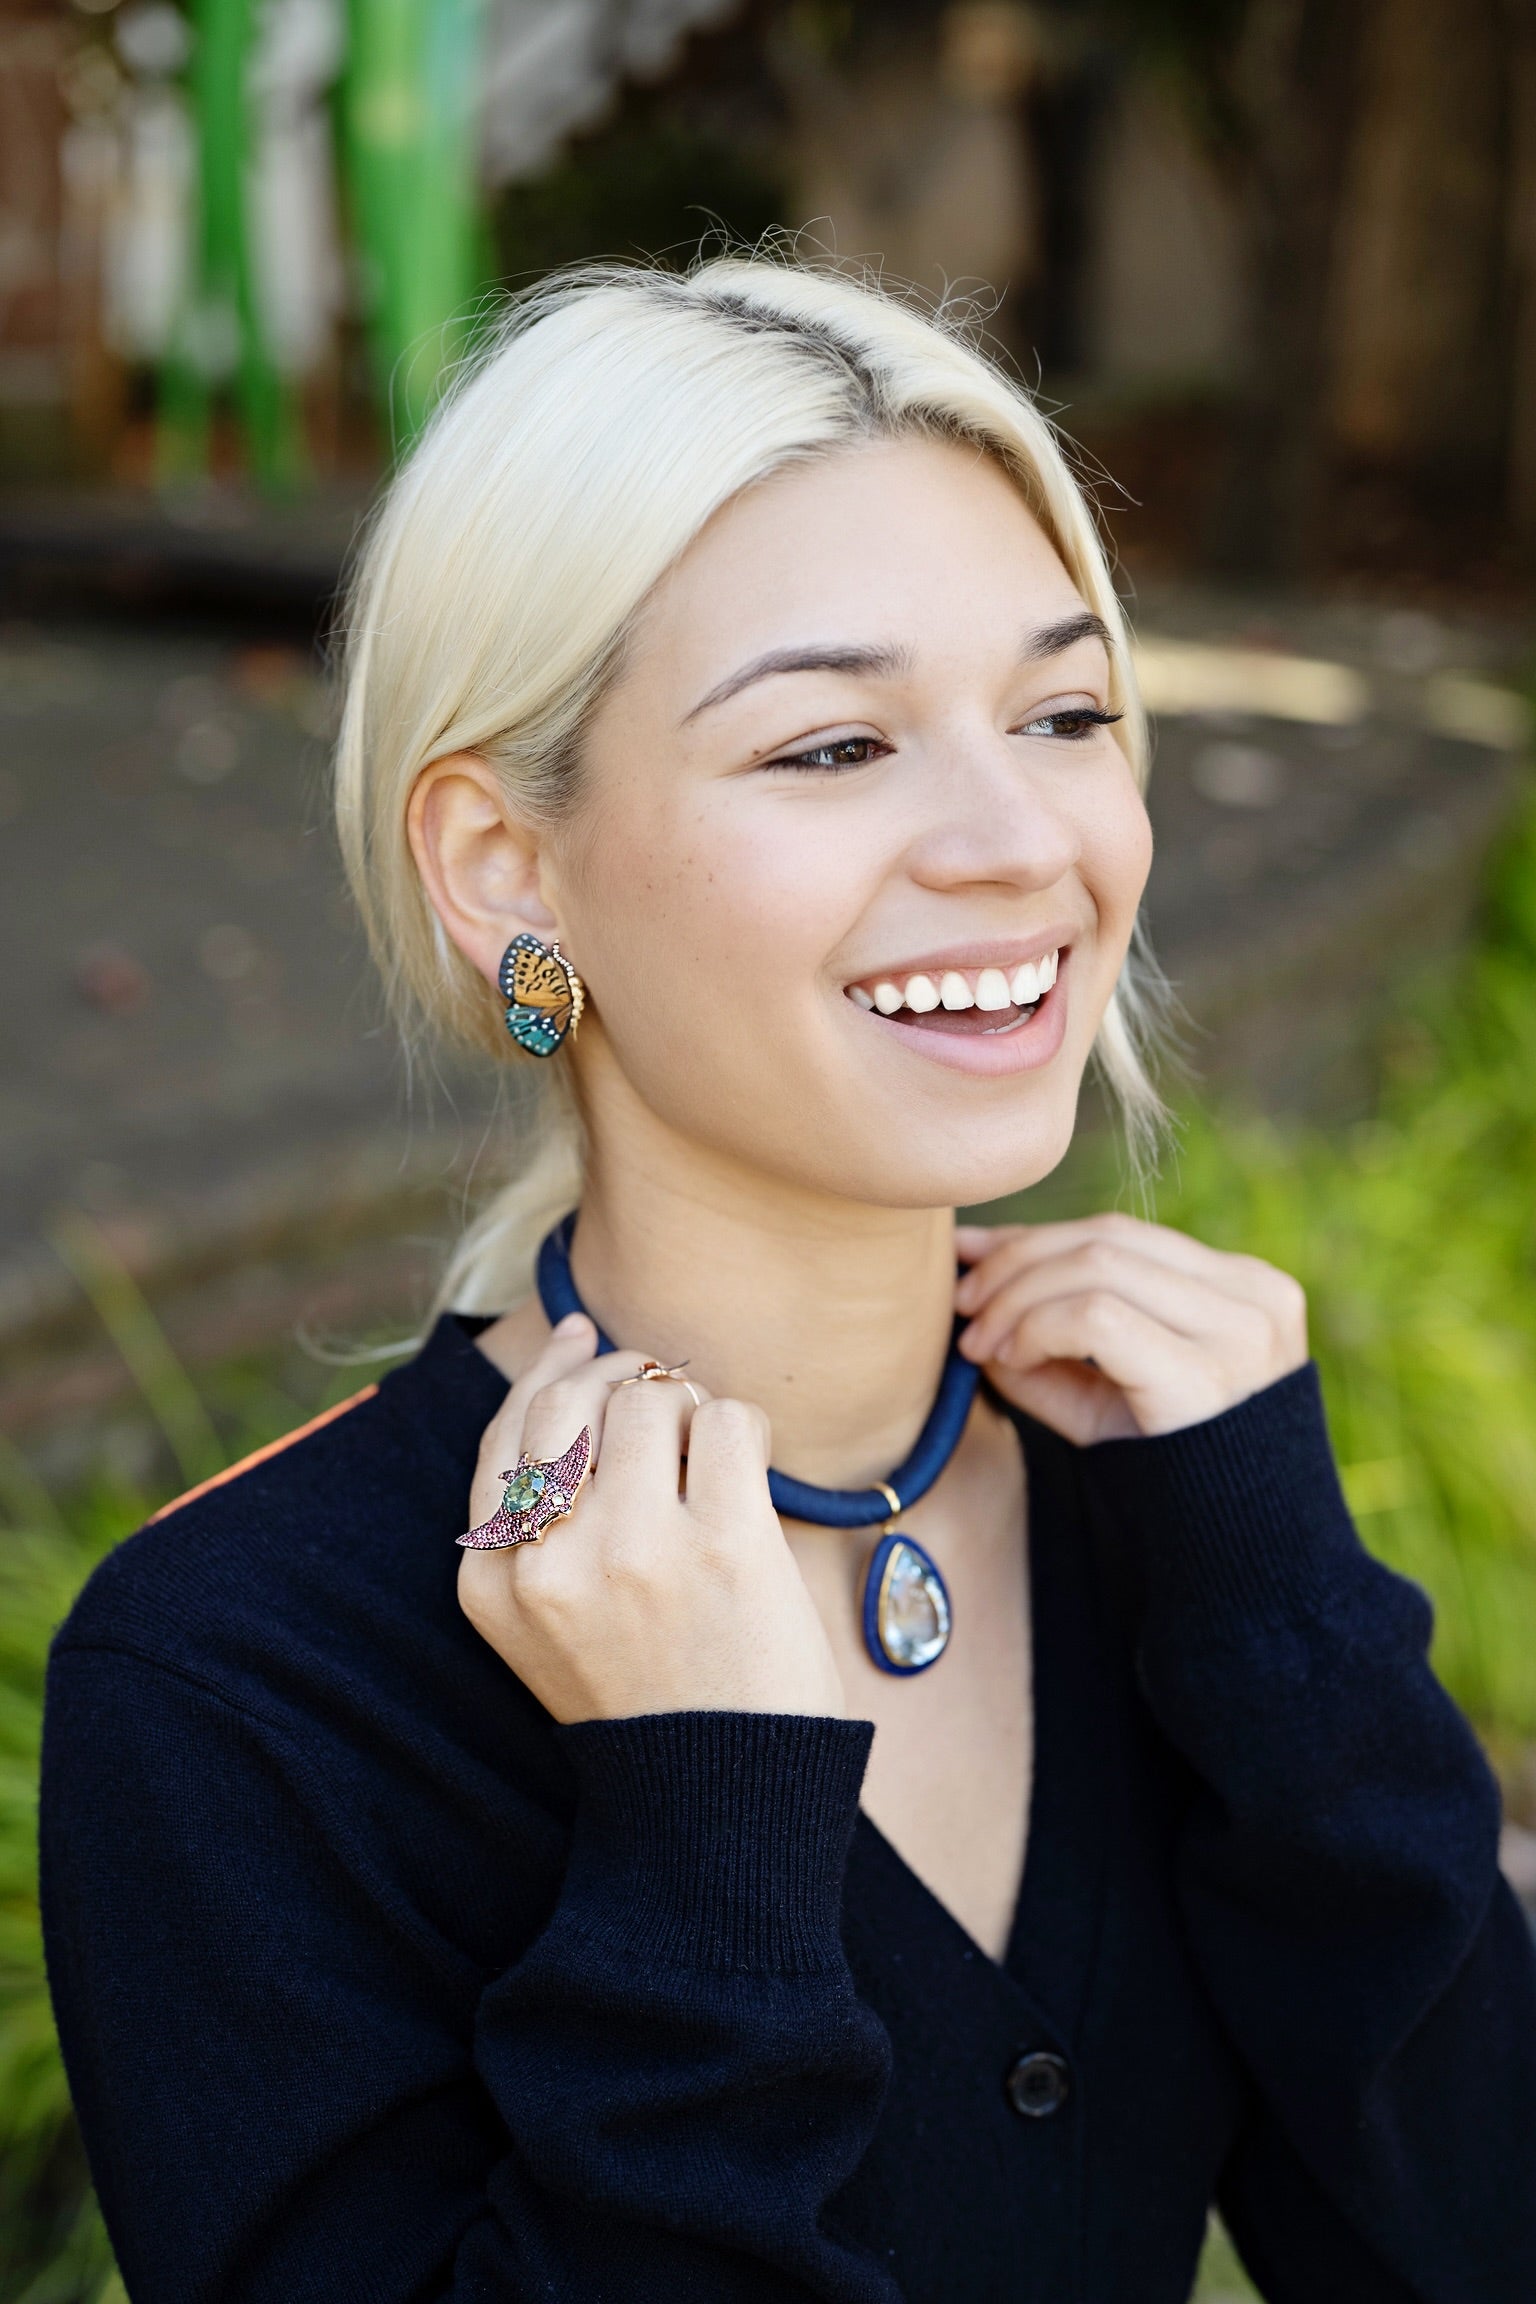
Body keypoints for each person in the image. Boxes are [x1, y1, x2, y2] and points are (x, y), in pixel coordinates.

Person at [41, 258, 1536, 2303]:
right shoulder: (242, 1685)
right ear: (505, 870)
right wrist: (702, 1825)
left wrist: (1288, 1626)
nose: (1020, 838)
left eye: (1069, 711)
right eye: (835, 747)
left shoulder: (1157, 1500)